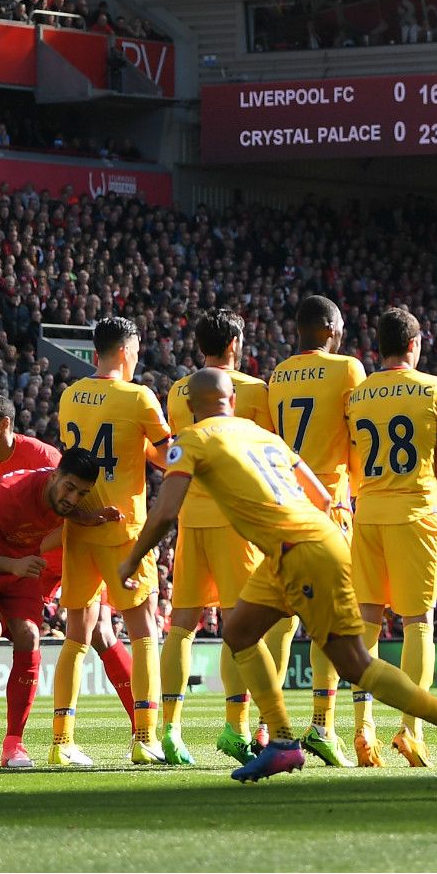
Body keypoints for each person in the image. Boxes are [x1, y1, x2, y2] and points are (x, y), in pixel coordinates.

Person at [119, 368, 437, 783]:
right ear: (233, 402)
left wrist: (130, 561)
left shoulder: (192, 440)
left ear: (188, 408)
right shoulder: (264, 437)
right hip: (301, 545)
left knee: (355, 664)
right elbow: (324, 497)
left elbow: (166, 512)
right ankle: (282, 743)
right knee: (238, 632)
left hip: (301, 552)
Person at [0, 393, 135, 763]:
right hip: (23, 552)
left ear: (3, 425)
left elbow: (72, 500)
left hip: (58, 550)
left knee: (97, 632)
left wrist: (94, 524)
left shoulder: (47, 461)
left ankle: (139, 728)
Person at [161, 308, 288, 767]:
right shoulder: (252, 391)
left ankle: (169, 730)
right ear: (235, 342)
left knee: (181, 625)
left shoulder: (179, 391)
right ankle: (236, 727)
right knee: (241, 626)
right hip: (236, 519)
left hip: (190, 514)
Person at [0, 450, 110, 767]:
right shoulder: (8, 492)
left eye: (81, 493)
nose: (73, 498)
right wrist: (11, 565)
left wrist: (88, 517)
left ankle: (13, 744)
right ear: (54, 476)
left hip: (19, 569)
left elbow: (68, 510)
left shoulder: (64, 500)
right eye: (69, 488)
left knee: (29, 637)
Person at [52, 316, 173, 767]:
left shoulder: (70, 396)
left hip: (79, 527)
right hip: (124, 531)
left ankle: (61, 742)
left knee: (76, 637)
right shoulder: (138, 397)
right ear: (127, 349)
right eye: (138, 348)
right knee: (143, 633)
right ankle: (145, 736)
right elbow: (168, 455)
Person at [345, 306, 437, 768]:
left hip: (367, 514)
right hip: (414, 514)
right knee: (417, 621)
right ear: (415, 344)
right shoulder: (436, 390)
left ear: (379, 346)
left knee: (367, 624)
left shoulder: (358, 395)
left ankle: (362, 727)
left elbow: (351, 459)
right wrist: (432, 504)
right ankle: (410, 729)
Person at [267, 295, 367, 767]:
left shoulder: (278, 374)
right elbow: (360, 436)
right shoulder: (348, 370)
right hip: (328, 502)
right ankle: (323, 726)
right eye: (342, 325)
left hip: (282, 502)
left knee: (282, 617)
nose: (344, 333)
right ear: (329, 327)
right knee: (330, 618)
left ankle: (272, 726)